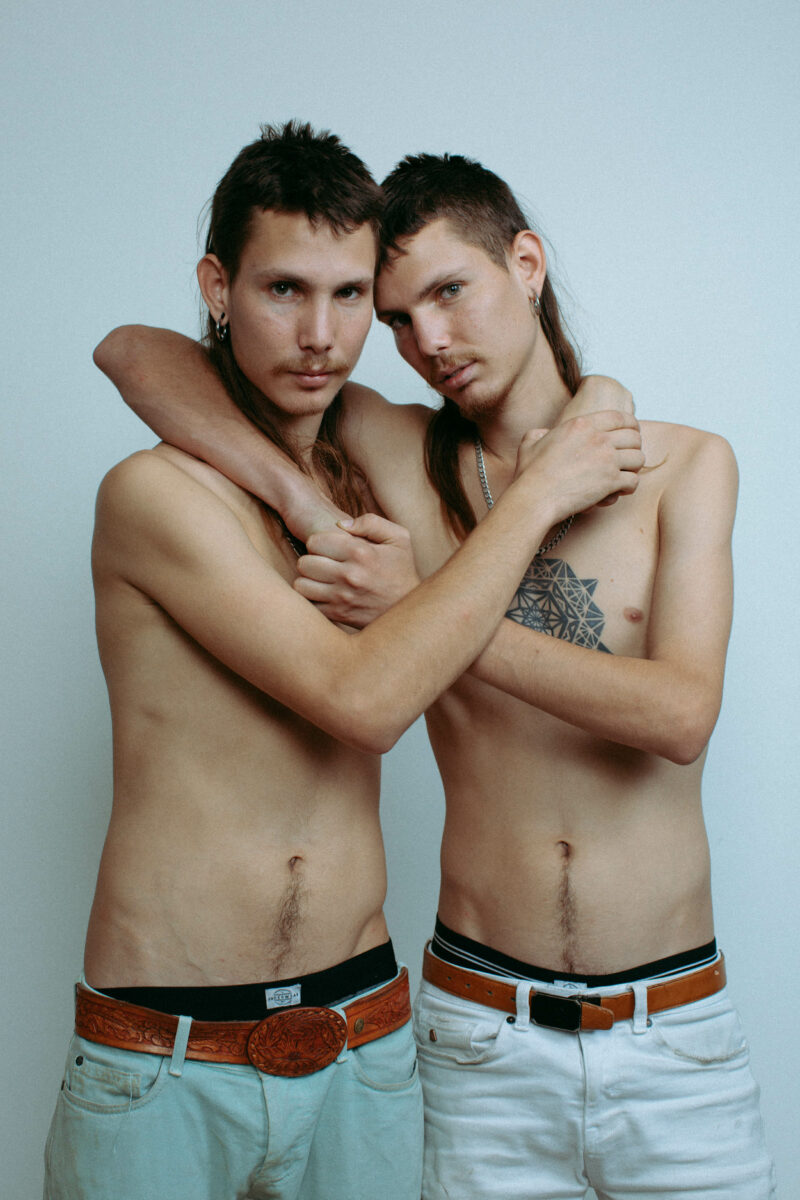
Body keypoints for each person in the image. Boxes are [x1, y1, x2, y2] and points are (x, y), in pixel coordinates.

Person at [96, 148, 775, 1198]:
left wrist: (430, 606)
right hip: (476, 1024)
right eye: (401, 317)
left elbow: (681, 714)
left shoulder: (683, 464)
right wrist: (304, 500)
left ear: (528, 263)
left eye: (448, 294)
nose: (428, 343)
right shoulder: (393, 451)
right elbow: (137, 353)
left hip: (673, 1027)